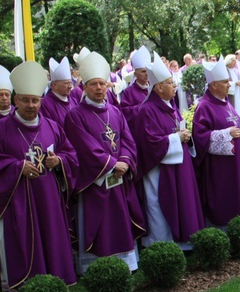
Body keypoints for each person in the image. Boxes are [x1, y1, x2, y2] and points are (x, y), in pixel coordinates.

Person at [0, 61, 78, 292]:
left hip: (49, 198)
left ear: (41, 101)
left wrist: (59, 161)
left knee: (51, 241)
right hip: (17, 202)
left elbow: (70, 154)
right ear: (15, 100)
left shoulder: (52, 126)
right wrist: (17, 167)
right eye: (25, 100)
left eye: (35, 100)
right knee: (23, 243)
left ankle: (55, 288)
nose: (31, 105)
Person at [64, 51, 146, 274]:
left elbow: (128, 140)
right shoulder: (75, 115)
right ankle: (94, 267)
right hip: (94, 182)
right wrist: (112, 164)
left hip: (119, 179)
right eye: (93, 84)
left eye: (102, 84)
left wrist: (125, 162)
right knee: (98, 224)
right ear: (84, 87)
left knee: (120, 221)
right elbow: (84, 147)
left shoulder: (115, 112)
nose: (99, 88)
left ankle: (126, 263)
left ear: (108, 86)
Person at [133, 53, 204, 249]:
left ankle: (182, 242)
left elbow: (176, 129)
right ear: (158, 87)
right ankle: (160, 245)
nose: (175, 87)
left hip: (177, 165)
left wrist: (186, 137)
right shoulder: (146, 110)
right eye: (170, 83)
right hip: (157, 169)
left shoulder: (170, 106)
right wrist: (176, 138)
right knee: (157, 204)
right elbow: (148, 143)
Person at [192, 56, 240, 228]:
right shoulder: (204, 106)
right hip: (221, 169)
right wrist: (226, 134)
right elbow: (200, 138)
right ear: (213, 85)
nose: (229, 84)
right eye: (225, 82)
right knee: (228, 200)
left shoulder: (225, 103)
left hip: (239, 166)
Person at [119, 45, 151, 132]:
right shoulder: (128, 92)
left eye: (148, 71)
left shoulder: (154, 88)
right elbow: (125, 112)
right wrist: (143, 107)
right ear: (135, 74)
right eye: (143, 71)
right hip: (138, 131)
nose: (147, 74)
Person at [40, 57, 76, 126]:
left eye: (70, 83)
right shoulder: (45, 104)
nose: (70, 86)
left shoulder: (73, 100)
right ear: (55, 85)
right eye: (66, 83)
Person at [225, 54, 240, 119]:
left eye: (235, 61)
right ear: (229, 61)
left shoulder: (236, 71)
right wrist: (234, 84)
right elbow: (225, 83)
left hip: (238, 93)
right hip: (231, 94)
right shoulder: (225, 70)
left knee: (238, 110)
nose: (235, 62)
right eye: (233, 61)